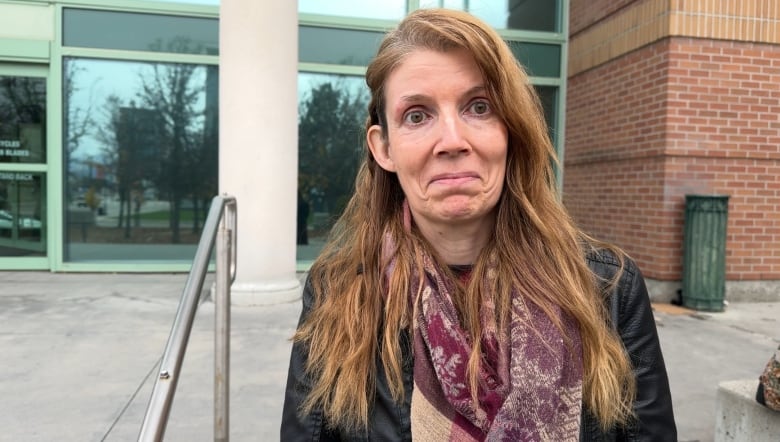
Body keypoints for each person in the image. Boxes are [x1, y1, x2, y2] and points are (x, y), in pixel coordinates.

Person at [282, 8, 676, 441]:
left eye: (479, 107)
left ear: (511, 131)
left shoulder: (608, 289)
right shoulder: (337, 295)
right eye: (417, 115)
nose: (452, 141)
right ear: (384, 148)